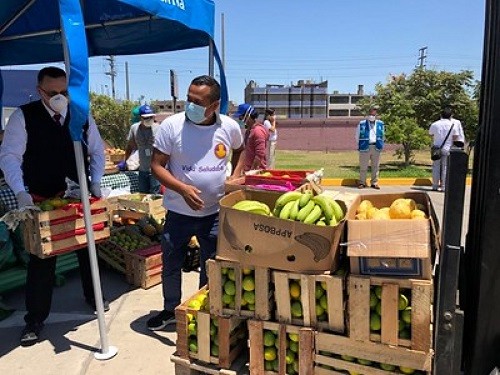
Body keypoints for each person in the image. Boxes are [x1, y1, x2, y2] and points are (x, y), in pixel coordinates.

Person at [0, 66, 108, 346]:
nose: (59, 98)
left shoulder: (81, 115)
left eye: (64, 92)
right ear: (40, 91)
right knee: (42, 258)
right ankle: (35, 320)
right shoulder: (24, 117)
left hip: (76, 195)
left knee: (88, 247)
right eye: (52, 93)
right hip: (42, 198)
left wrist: (94, 182)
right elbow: (10, 156)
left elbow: (97, 150)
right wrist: (21, 193)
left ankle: (94, 297)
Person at [146, 75, 244, 330]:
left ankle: (202, 310)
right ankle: (170, 310)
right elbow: (156, 166)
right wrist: (181, 189)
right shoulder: (172, 126)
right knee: (172, 262)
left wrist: (235, 176)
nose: (190, 105)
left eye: (197, 101)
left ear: (214, 105)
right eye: (188, 99)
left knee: (210, 265)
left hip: (214, 213)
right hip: (179, 213)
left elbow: (241, 149)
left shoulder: (229, 127)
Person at [119, 104, 161, 194]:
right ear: (140, 118)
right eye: (146, 118)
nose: (148, 120)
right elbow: (130, 146)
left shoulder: (159, 128)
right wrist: (125, 161)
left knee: (155, 195)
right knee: (142, 194)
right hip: (142, 169)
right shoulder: (134, 128)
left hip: (155, 170)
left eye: (150, 117)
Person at [429, 107, 459, 192]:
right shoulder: (453, 125)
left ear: (440, 115)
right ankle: (443, 187)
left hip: (436, 149)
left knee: (436, 166)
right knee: (445, 167)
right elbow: (456, 137)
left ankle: (435, 186)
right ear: (451, 116)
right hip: (447, 148)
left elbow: (430, 134)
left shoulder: (435, 124)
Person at [233, 103, 268, 174]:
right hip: (248, 171)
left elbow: (259, 154)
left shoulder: (258, 131)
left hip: (256, 173)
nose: (240, 119)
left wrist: (251, 172)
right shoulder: (248, 131)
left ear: (247, 116)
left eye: (241, 117)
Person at [356, 106, 385, 189]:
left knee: (375, 166)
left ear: (376, 113)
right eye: (371, 112)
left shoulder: (380, 123)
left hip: (376, 147)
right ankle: (362, 182)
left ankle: (374, 183)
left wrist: (381, 143)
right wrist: (361, 144)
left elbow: (383, 135)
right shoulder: (362, 124)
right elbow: (357, 136)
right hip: (365, 146)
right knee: (363, 166)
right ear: (368, 113)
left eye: (374, 112)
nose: (372, 114)